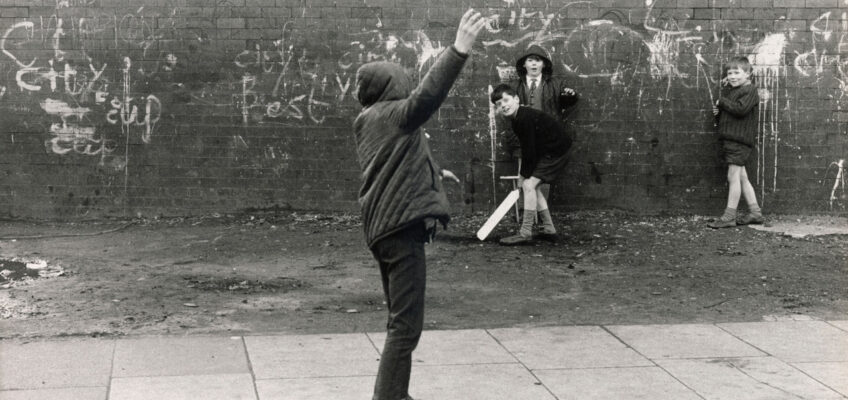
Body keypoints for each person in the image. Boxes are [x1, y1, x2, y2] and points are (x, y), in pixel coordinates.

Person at [352, 9, 486, 400]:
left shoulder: (370, 119)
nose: (407, 86)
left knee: (400, 321)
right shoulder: (395, 114)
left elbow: (390, 163)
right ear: (391, 87)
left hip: (383, 228)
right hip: (401, 229)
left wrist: (434, 173)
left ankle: (398, 394)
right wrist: (458, 50)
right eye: (402, 83)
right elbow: (428, 96)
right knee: (406, 327)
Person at [502, 45, 579, 237]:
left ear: (544, 64)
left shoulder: (555, 83)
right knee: (528, 182)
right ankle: (537, 223)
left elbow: (565, 102)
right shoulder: (516, 87)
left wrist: (570, 96)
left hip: (547, 143)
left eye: (538, 60)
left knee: (531, 183)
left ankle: (528, 230)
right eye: (530, 60)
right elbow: (511, 116)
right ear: (524, 65)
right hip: (526, 141)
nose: (534, 63)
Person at [491, 84, 572, 245]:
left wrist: (523, 176)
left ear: (516, 99)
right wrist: (524, 174)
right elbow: (529, 149)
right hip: (549, 150)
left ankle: (525, 232)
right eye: (499, 104)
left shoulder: (523, 118)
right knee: (533, 186)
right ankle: (549, 229)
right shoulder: (517, 119)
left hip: (556, 151)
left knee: (528, 185)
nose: (503, 106)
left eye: (506, 100)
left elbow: (530, 150)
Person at [708, 56, 763, 228]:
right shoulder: (734, 92)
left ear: (748, 74)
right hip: (732, 141)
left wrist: (723, 102)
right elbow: (731, 115)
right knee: (742, 177)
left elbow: (740, 110)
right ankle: (755, 213)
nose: (732, 76)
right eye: (729, 73)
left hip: (739, 142)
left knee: (732, 177)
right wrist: (719, 113)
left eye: (736, 72)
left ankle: (729, 216)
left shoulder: (750, 90)